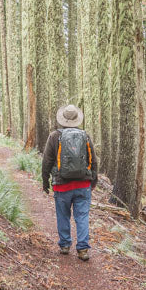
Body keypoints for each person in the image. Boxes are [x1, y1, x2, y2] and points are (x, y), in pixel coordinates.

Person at [41, 104, 98, 261]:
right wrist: (93, 180)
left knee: (63, 215)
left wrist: (45, 181)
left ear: (62, 119)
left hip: (62, 184)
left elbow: (47, 161)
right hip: (83, 185)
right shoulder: (85, 136)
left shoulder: (54, 136)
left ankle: (65, 245)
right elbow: (93, 160)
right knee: (82, 216)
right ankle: (83, 249)